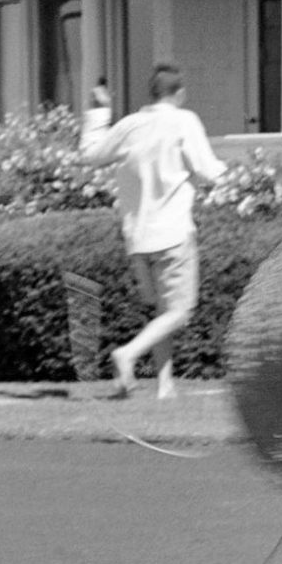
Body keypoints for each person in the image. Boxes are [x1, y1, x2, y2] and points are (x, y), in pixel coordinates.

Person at [84, 63, 224, 398]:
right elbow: (208, 171)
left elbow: (91, 155)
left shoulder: (130, 125)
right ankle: (127, 353)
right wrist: (226, 171)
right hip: (173, 234)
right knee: (179, 312)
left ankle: (165, 386)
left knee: (162, 312)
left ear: (151, 92)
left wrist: (99, 112)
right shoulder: (183, 120)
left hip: (138, 239)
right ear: (180, 93)